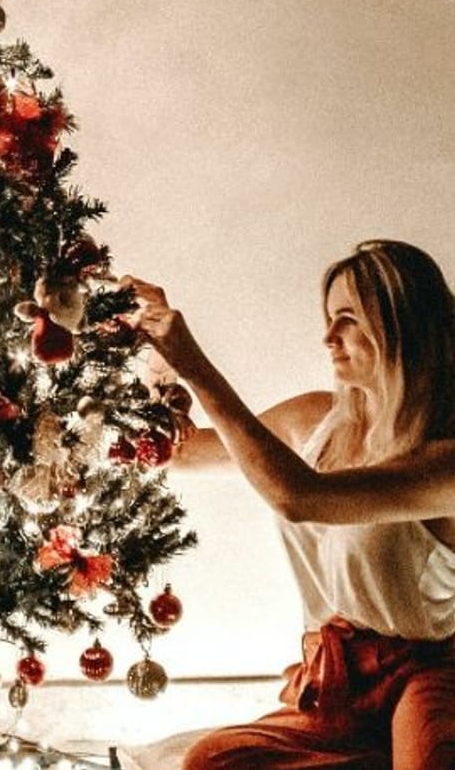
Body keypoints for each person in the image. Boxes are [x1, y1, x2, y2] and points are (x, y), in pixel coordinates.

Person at [123, 240, 455, 769]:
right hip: (338, 676)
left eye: (348, 319)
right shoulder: (313, 421)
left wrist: (196, 365)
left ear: (401, 325)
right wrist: (159, 361)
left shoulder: (443, 459)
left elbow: (300, 497)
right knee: (211, 760)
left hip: (428, 677)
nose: (328, 337)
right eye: (329, 318)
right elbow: (177, 454)